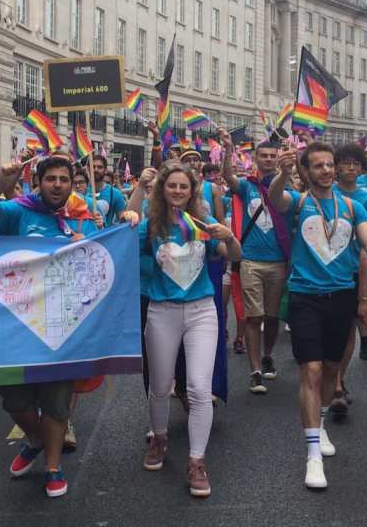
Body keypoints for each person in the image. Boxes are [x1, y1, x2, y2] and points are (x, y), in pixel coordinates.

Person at [0, 155, 138, 498]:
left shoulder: (82, 219)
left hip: (63, 328)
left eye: (64, 179)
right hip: (18, 327)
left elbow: (101, 268)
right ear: (38, 182)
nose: (58, 185)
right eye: (51, 178)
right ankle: (35, 439)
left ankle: (53, 466)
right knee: (13, 398)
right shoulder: (20, 212)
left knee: (56, 402)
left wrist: (103, 233)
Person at [267, 142, 367, 489]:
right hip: (305, 296)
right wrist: (282, 173)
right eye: (317, 165)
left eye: (329, 164)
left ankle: (320, 423)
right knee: (311, 369)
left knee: (331, 369)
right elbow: (276, 198)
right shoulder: (298, 202)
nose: (325, 170)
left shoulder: (352, 206)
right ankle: (313, 455)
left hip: (341, 295)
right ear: (307, 171)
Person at [135, 161, 240, 499]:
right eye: (172, 185)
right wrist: (130, 207)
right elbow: (120, 242)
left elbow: (234, 255)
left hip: (201, 312)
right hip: (161, 312)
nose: (178, 191)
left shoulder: (202, 224)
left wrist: (229, 237)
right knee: (160, 385)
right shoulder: (151, 226)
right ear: (162, 190)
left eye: (184, 186)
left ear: (193, 191)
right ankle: (159, 438)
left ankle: (197, 461)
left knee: (198, 387)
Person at [218, 130, 288, 393]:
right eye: (264, 156)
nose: (268, 159)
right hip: (250, 261)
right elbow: (227, 176)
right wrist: (228, 150)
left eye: (272, 156)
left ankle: (268, 355)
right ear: (256, 159)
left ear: (278, 158)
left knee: (272, 316)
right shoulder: (247, 186)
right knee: (253, 316)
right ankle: (255, 370)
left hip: (279, 262)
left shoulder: (287, 187)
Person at [328, 143, 367, 418]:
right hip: (330, 268)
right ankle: (331, 380)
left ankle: (337, 381)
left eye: (356, 163)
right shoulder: (326, 192)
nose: (352, 168)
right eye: (345, 163)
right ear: (336, 167)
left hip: (358, 269)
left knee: (349, 329)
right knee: (331, 328)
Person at [92, 155, 127, 225]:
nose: (96, 170)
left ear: (105, 170)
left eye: (100, 167)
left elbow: (122, 221)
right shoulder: (82, 190)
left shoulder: (115, 193)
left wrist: (130, 215)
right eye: (93, 167)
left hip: (106, 231)